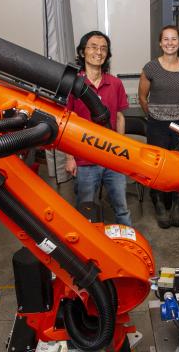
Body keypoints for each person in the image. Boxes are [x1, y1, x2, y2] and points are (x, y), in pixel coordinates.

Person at [65, 31, 132, 226]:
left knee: (122, 208)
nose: (99, 52)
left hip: (112, 157)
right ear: (82, 52)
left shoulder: (115, 83)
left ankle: (127, 249)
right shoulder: (73, 84)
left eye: (103, 48)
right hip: (84, 159)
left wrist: (122, 151)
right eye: (93, 47)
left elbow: (119, 117)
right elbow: (66, 121)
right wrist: (70, 158)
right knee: (85, 209)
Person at [138, 25, 179, 229]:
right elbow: (143, 97)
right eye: (166, 39)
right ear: (160, 43)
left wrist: (178, 112)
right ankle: (159, 203)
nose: (170, 43)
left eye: (174, 39)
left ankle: (177, 203)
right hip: (157, 124)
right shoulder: (150, 68)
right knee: (159, 165)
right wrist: (155, 115)